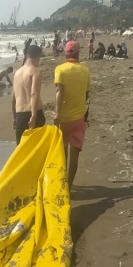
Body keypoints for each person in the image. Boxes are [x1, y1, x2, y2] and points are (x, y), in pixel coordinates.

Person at [54, 41, 90, 190]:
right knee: (74, 155)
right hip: (79, 118)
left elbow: (59, 91)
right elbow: (87, 95)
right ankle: (69, 187)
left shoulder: (60, 69)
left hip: (63, 119)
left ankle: (62, 185)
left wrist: (56, 113)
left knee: (62, 153)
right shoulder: (86, 70)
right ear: (78, 53)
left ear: (65, 53)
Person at [11, 45, 45, 145]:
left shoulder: (17, 73)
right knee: (36, 149)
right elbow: (34, 94)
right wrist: (33, 116)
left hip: (19, 115)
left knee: (21, 150)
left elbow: (13, 100)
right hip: (34, 113)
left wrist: (14, 118)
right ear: (37, 56)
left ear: (27, 55)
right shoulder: (35, 72)